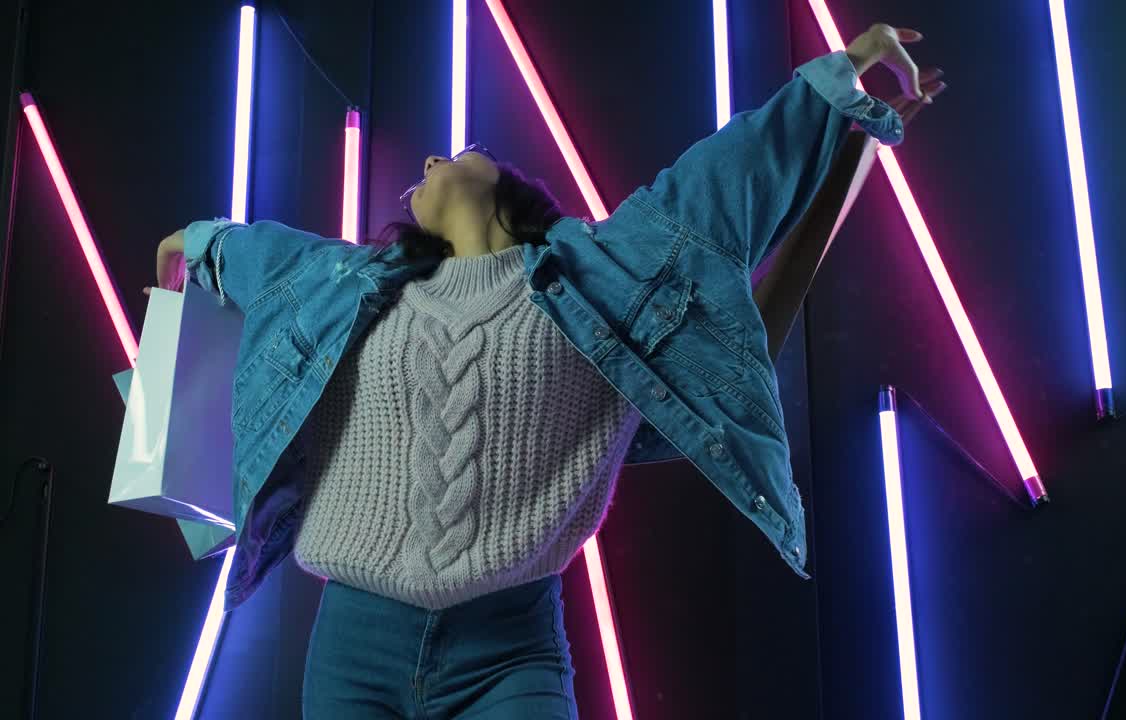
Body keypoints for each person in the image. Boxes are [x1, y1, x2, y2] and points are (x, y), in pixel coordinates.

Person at [146, 23, 944, 720]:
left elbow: (722, 181)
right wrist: (189, 250)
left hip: (511, 649)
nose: (429, 159)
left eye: (454, 152)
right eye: (424, 165)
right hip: (355, 643)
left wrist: (843, 79)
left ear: (509, 186)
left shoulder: (599, 281)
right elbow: (241, 254)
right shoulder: (349, 282)